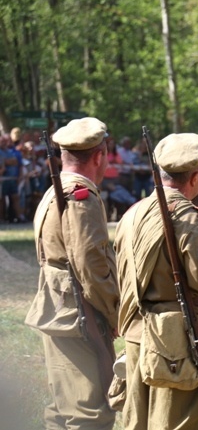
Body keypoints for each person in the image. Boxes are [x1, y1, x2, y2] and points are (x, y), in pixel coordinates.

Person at [114, 133, 198, 430]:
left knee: (138, 423)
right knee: (173, 423)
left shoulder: (133, 212)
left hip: (138, 333)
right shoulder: (188, 218)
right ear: (196, 177)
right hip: (175, 341)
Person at [24, 117, 120, 429]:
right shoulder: (81, 198)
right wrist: (115, 313)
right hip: (80, 316)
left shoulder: (55, 191)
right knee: (90, 415)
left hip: (59, 310)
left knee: (62, 412)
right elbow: (90, 267)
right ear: (99, 156)